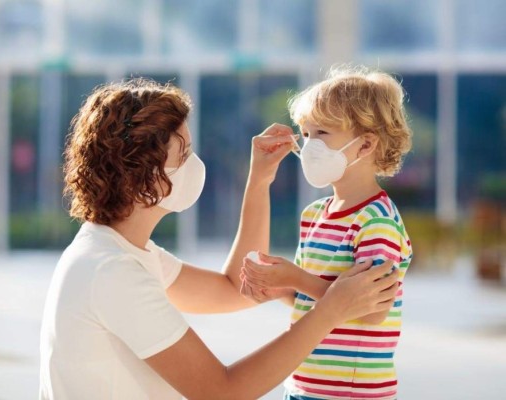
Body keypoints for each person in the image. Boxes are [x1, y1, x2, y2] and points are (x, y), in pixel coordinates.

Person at [39, 78, 398, 400]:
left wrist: (259, 181)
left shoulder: (125, 253)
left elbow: (233, 289)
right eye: (184, 155)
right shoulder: (112, 271)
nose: (196, 164)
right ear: (145, 178)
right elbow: (222, 392)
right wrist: (330, 309)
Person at [241, 66, 413, 400]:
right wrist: (277, 287)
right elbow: (311, 297)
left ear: (365, 145)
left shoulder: (377, 221)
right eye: (304, 135)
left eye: (321, 133)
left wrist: (295, 277)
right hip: (302, 384)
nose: (308, 146)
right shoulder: (314, 215)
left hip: (352, 393)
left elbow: (374, 308)